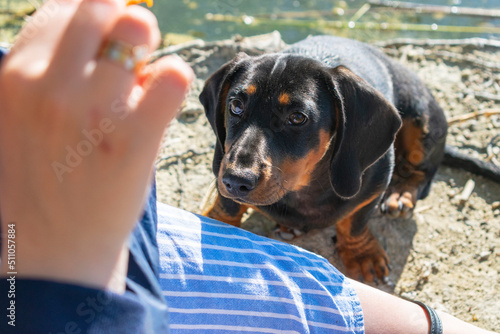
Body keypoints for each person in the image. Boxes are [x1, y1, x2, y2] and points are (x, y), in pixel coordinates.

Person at [0, 0, 496, 333]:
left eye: (296, 118)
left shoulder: (360, 162)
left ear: (340, 133)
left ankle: (417, 177)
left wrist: (356, 236)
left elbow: (372, 172)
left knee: (421, 132)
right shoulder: (241, 133)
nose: (238, 167)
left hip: (379, 102)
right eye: (238, 109)